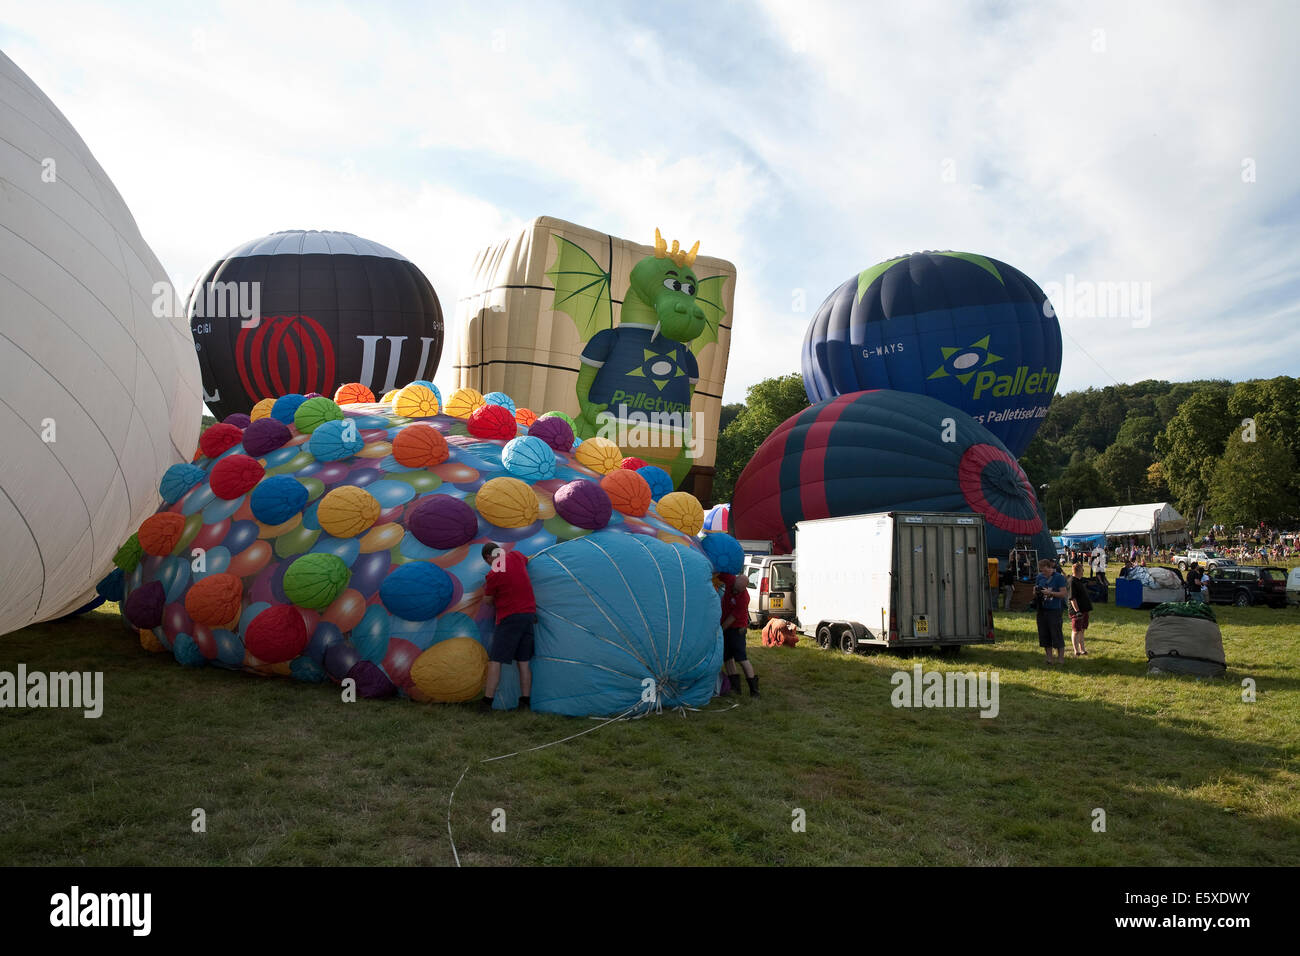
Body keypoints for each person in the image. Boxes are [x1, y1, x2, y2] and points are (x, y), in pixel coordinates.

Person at [479, 542, 537, 713]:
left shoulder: (493, 573)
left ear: (488, 557)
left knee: (495, 661)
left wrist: (485, 596)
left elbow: (488, 601)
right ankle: (525, 702)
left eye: (486, 561)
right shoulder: (516, 556)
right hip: (528, 615)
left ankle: (486, 703)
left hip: (509, 617)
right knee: (524, 662)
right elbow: (525, 562)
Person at [719, 572, 759, 697]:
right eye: (734, 589)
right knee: (727, 658)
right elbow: (717, 573)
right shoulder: (731, 580)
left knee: (742, 659)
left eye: (738, 590)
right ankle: (735, 688)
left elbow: (732, 618)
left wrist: (720, 630)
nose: (735, 592)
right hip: (726, 628)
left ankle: (754, 690)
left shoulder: (744, 598)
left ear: (744, 588)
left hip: (737, 629)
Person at [1034, 558, 1069, 665]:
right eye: (1041, 570)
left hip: (1054, 610)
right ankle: (1049, 659)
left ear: (1050, 567)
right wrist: (1037, 592)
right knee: (1044, 634)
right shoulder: (1039, 577)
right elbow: (1034, 590)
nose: (1043, 573)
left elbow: (1063, 594)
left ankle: (1060, 659)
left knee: (1056, 634)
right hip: (1042, 610)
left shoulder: (1059, 578)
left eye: (1044, 570)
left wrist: (1050, 593)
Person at [1068, 562, 1093, 656]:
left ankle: (1082, 649)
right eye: (1082, 570)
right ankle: (1076, 650)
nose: (1083, 571)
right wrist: (1077, 611)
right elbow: (1072, 598)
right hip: (1077, 611)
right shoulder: (1072, 581)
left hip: (1084, 609)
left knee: (1082, 629)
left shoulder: (1079, 580)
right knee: (1076, 630)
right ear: (1078, 571)